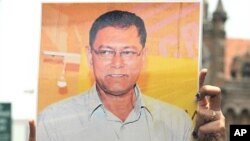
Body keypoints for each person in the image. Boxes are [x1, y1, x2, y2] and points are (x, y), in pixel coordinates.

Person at [32, 10, 225, 141]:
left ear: (144, 56)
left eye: (128, 52)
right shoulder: (52, 122)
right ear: (90, 56)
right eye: (106, 51)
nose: (117, 63)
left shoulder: (178, 124)